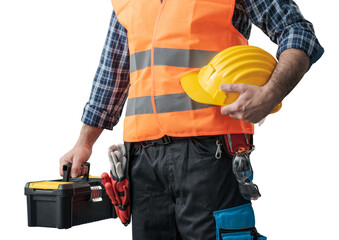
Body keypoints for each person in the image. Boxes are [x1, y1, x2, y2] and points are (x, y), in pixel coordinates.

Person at [60, 0, 324, 239]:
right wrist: (84, 142)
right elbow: (113, 71)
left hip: (211, 154)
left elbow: (298, 32)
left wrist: (271, 93)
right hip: (142, 162)